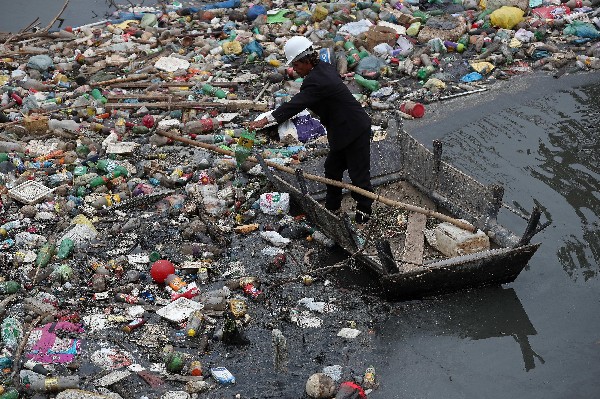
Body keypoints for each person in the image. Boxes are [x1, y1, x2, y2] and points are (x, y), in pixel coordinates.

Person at [248, 36, 374, 223]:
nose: (295, 69)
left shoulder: (316, 81)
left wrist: (266, 119)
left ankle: (365, 211)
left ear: (307, 61)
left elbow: (295, 105)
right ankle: (332, 208)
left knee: (358, 174)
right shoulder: (323, 68)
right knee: (332, 168)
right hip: (340, 130)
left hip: (354, 129)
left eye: (297, 65)